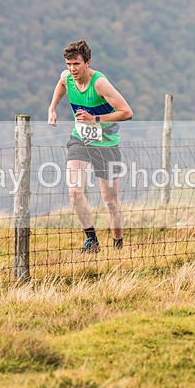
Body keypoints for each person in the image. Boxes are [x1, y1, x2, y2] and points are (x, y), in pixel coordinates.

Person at [47, 40, 133, 253]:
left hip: (107, 144)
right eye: (68, 64)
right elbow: (61, 85)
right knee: (75, 191)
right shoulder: (66, 77)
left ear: (87, 63)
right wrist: (53, 108)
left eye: (76, 64)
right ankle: (92, 241)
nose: (72, 69)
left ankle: (118, 245)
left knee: (110, 201)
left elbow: (126, 112)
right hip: (80, 140)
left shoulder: (99, 83)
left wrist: (94, 119)